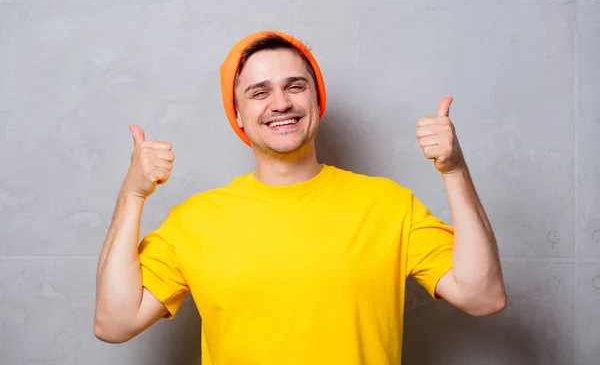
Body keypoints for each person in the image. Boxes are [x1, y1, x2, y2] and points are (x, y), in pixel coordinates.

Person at [93, 30, 506, 364]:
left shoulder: (388, 205)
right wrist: (133, 193)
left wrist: (454, 170)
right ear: (236, 114)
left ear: (316, 99)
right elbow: (114, 323)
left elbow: (482, 296)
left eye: (295, 86)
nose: (281, 103)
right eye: (259, 92)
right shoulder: (194, 221)